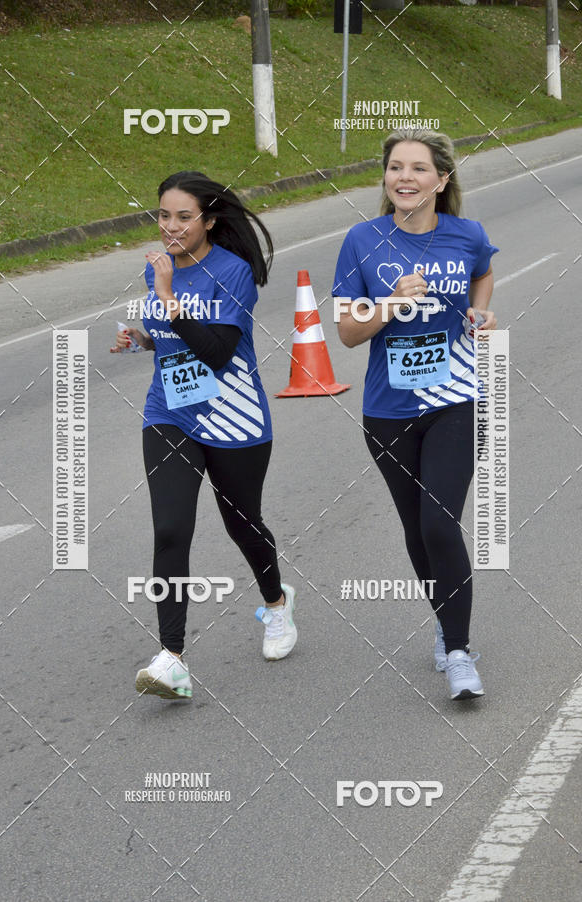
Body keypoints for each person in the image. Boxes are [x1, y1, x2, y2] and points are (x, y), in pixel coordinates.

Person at [111, 171, 297, 700]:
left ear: (209, 221)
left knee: (243, 524)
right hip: (169, 412)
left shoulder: (232, 272)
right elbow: (174, 338)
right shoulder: (160, 271)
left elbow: (216, 353)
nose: (170, 227)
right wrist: (143, 339)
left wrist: (167, 296)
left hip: (233, 417)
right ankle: (171, 658)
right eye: (163, 216)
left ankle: (277, 604)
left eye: (183, 217)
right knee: (171, 529)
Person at [333, 129, 498, 700]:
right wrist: (390, 304)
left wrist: (479, 312)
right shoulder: (361, 241)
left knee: (438, 523)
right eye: (395, 167)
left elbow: (482, 273)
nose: (404, 177)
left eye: (418, 168)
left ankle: (459, 652)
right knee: (416, 531)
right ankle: (446, 620)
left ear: (442, 180)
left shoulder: (467, 234)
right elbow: (348, 332)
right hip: (388, 410)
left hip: (457, 399)